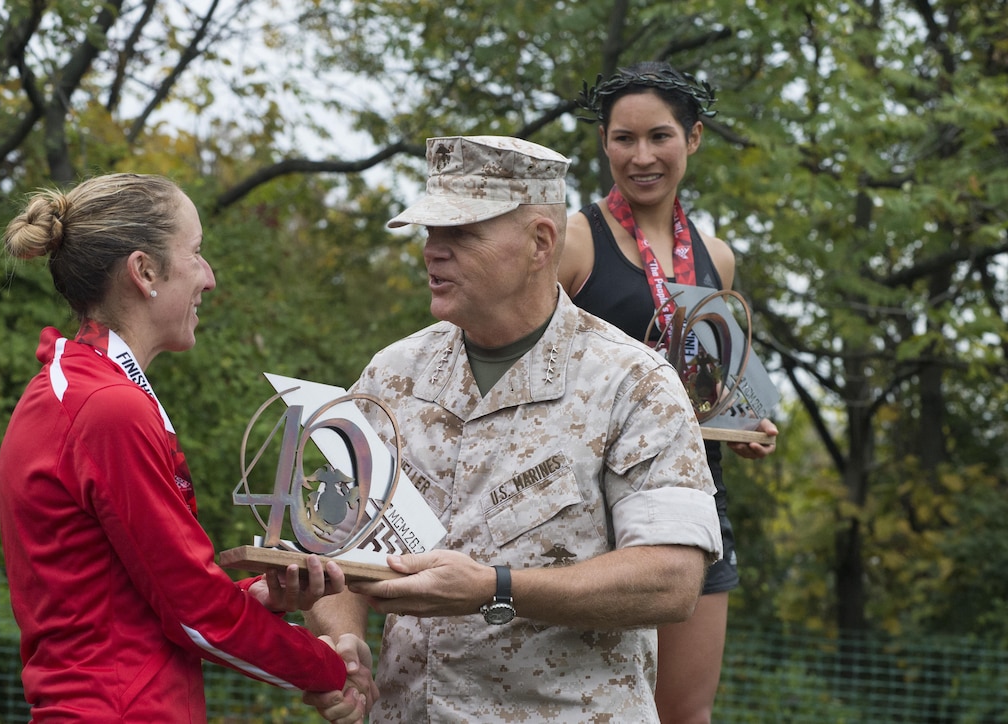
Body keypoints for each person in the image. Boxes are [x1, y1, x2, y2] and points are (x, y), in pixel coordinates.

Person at [302, 135, 723, 723]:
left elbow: (672, 581)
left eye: (461, 235)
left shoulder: (633, 382)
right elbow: (335, 542)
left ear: (539, 243)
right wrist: (342, 640)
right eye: (430, 234)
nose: (433, 253)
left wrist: (497, 588)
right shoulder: (391, 373)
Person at [0, 173, 374, 722]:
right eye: (195, 253)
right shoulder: (107, 409)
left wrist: (261, 597)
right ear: (144, 272)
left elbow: (139, 608)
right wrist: (329, 670)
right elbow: (195, 615)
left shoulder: (78, 391)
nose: (209, 278)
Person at [563, 62, 780, 723]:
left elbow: (714, 393)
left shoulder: (718, 256)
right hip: (593, 516)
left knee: (686, 714)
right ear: (604, 142)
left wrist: (748, 429)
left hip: (693, 506)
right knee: (590, 708)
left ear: (694, 139)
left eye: (660, 136)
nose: (641, 156)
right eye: (623, 138)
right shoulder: (573, 242)